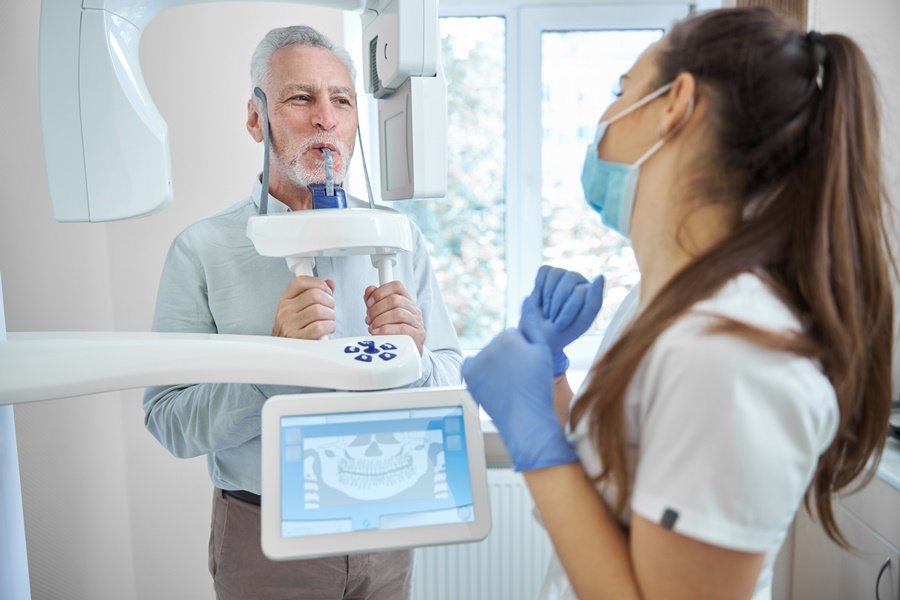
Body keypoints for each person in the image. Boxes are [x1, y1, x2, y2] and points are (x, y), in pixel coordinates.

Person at [462, 7, 893, 600]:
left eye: (622, 91)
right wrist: (551, 381)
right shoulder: (658, 301)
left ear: (676, 104)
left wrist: (531, 439)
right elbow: (620, 488)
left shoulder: (735, 350)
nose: (605, 120)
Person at [143, 25, 462, 600]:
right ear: (255, 119)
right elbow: (169, 420)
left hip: (390, 526)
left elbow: (451, 376)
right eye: (301, 98)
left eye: (342, 101)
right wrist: (273, 366)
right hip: (266, 539)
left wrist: (413, 362)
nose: (325, 119)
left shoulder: (396, 238)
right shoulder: (203, 249)